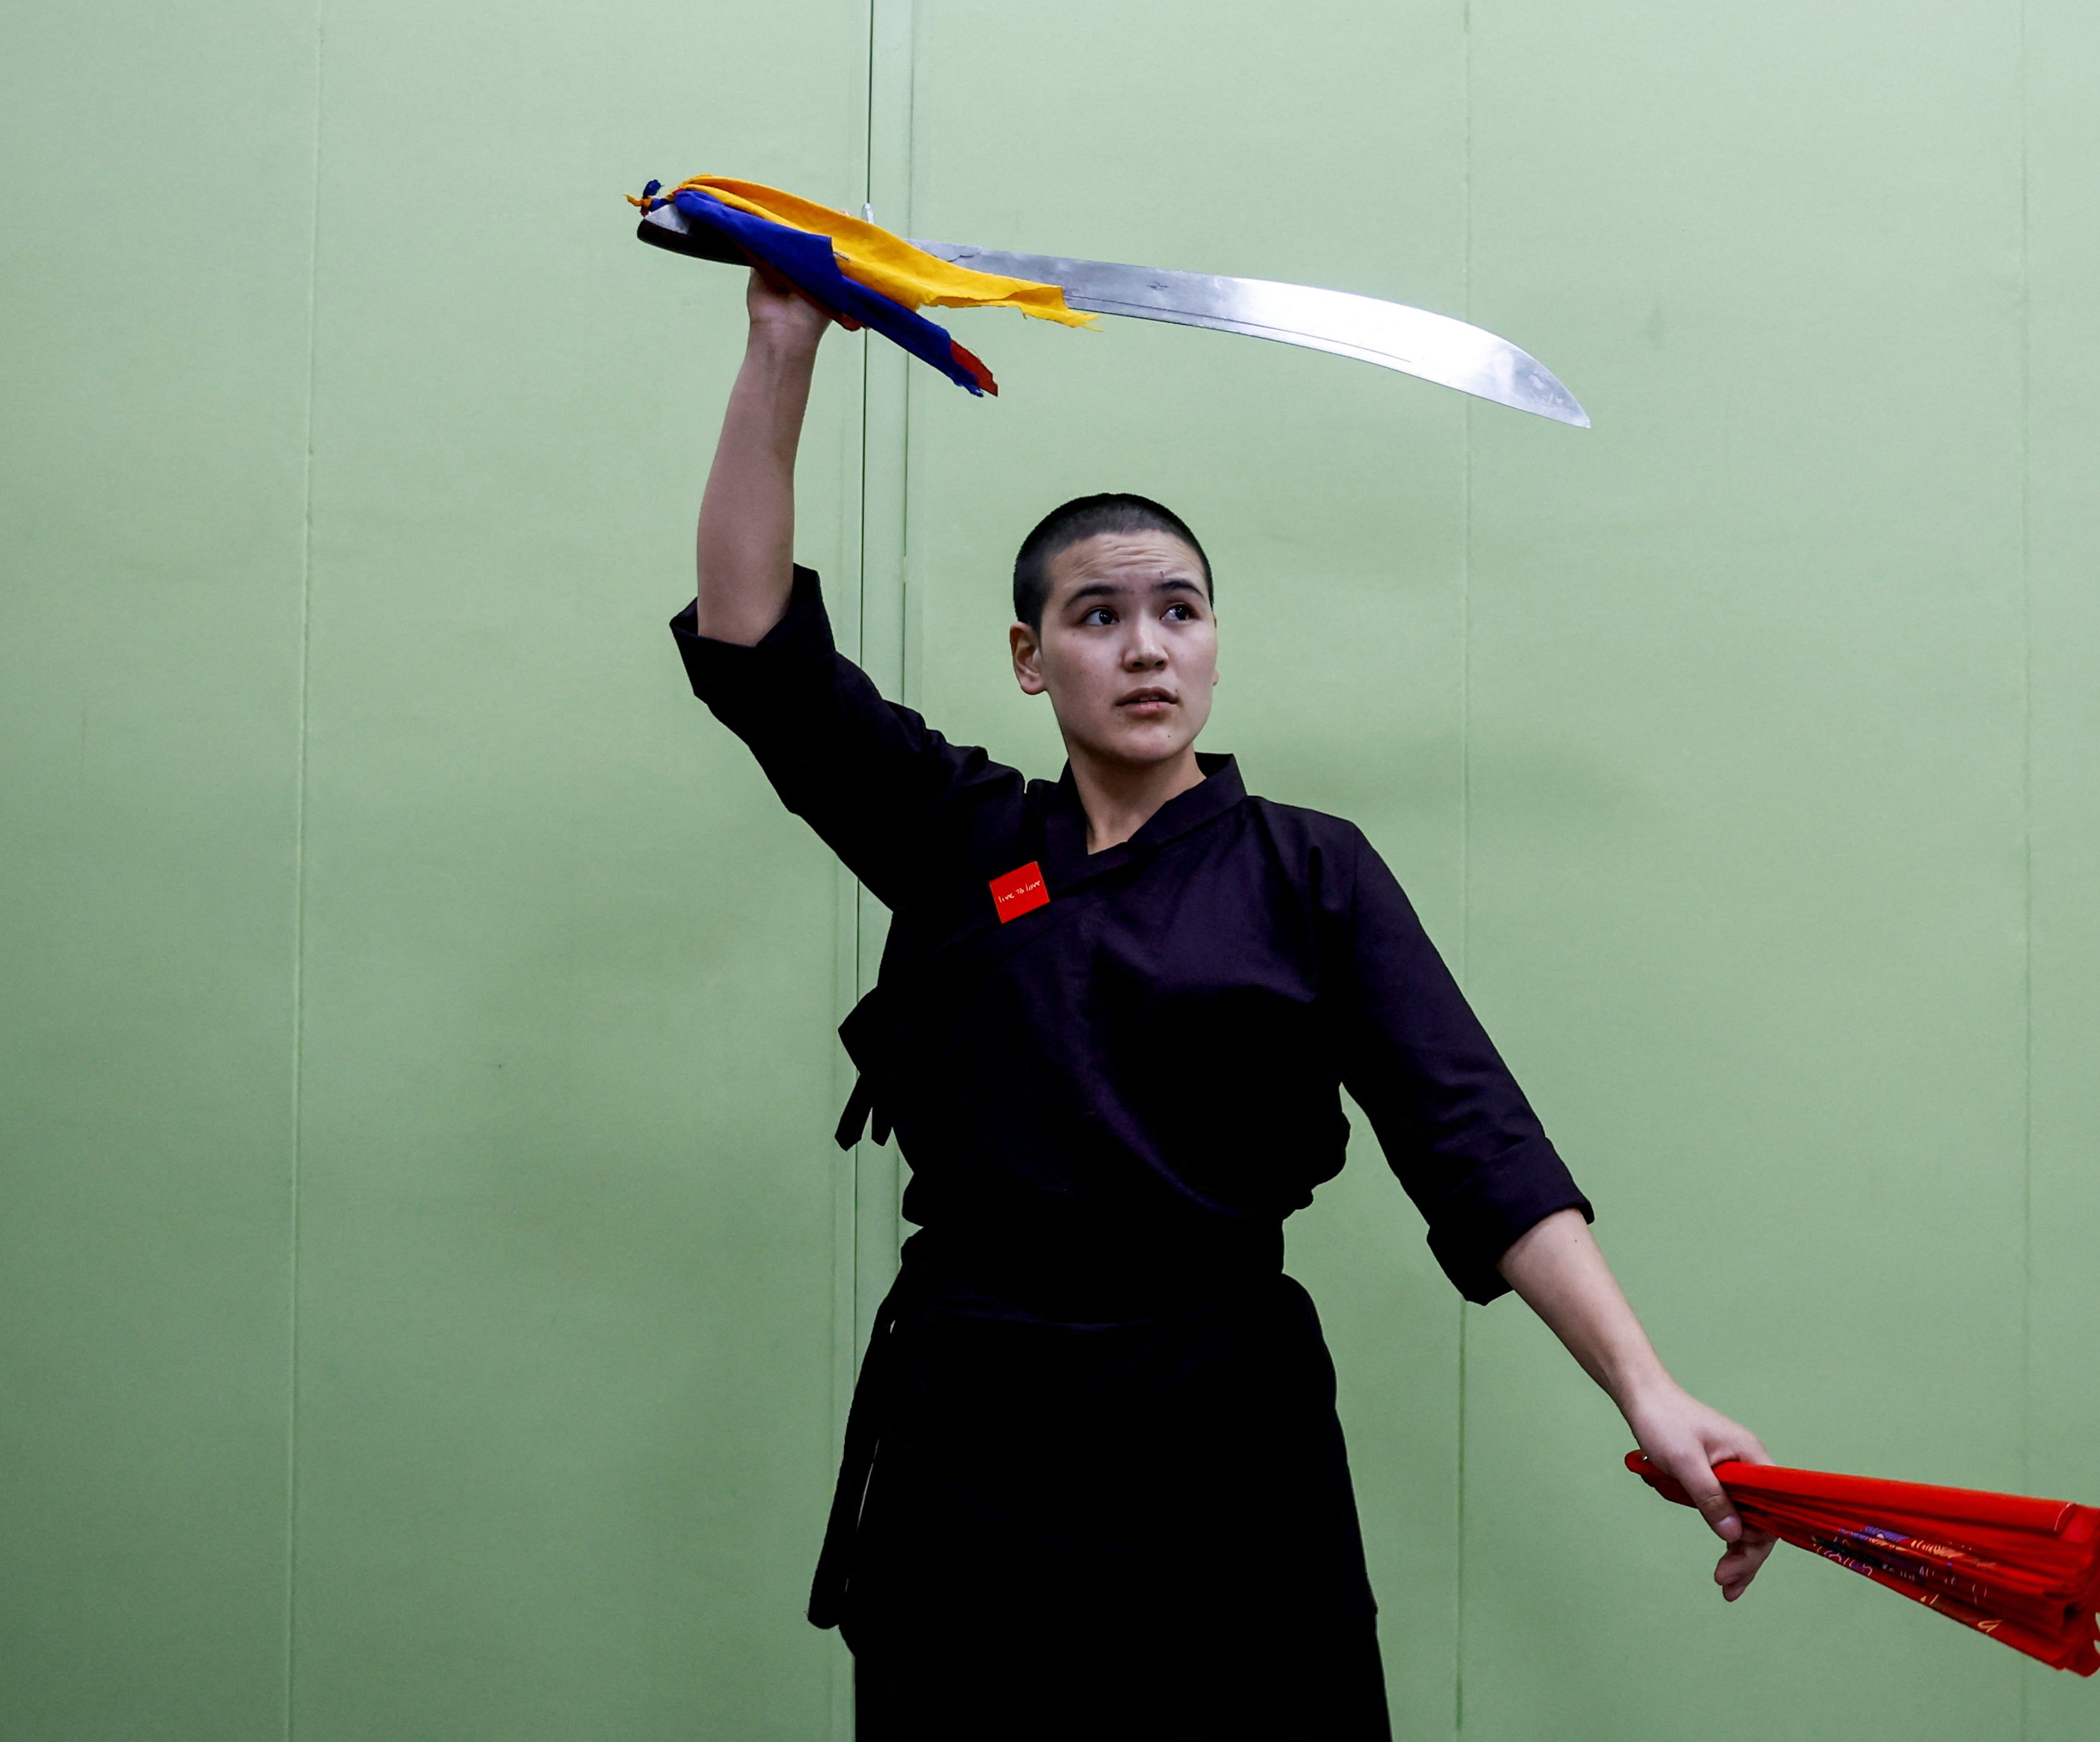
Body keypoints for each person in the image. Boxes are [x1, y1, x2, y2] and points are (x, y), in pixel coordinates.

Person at [674, 269, 1772, 1738]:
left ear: (1212, 637)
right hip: (975, 1433)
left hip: (1220, 1436)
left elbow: (1478, 1145)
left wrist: (1645, 1388)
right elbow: (754, 652)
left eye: (1176, 610)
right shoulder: (959, 839)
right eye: (1097, 613)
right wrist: (780, 343)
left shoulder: (1306, 870)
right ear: (1029, 655)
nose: (1143, 646)